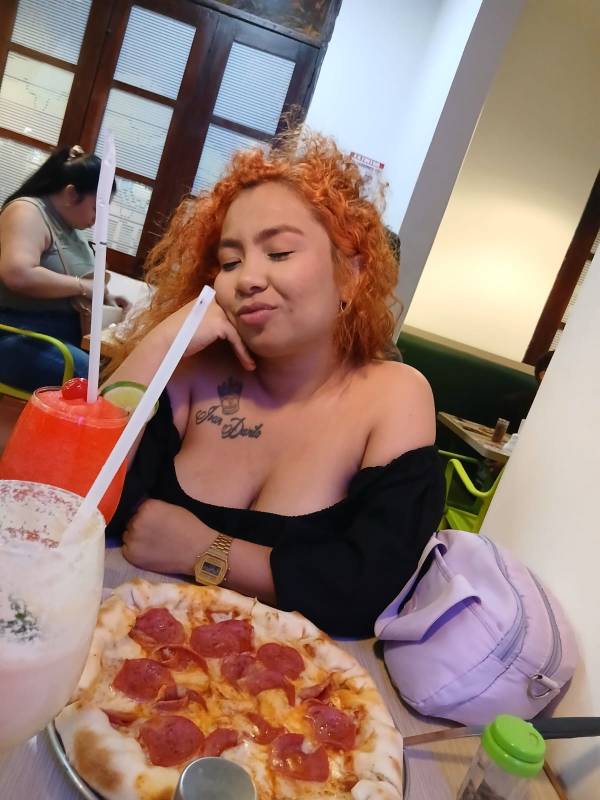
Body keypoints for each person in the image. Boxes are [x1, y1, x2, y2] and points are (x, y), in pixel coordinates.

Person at [105, 131, 444, 637]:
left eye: (280, 252)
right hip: (124, 643)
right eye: (230, 261)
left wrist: (204, 550)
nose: (247, 279)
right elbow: (64, 506)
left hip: (300, 679)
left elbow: (369, 587)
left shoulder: (395, 396)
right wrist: (160, 345)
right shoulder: (189, 374)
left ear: (351, 274)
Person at [0, 145, 122, 391]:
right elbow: (18, 274)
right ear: (70, 194)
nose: (97, 219)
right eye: (96, 208)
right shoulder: (27, 211)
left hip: (62, 334)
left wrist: (109, 301)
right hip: (18, 333)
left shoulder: (70, 227)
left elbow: (82, 283)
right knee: (97, 381)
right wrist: (83, 286)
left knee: (122, 371)